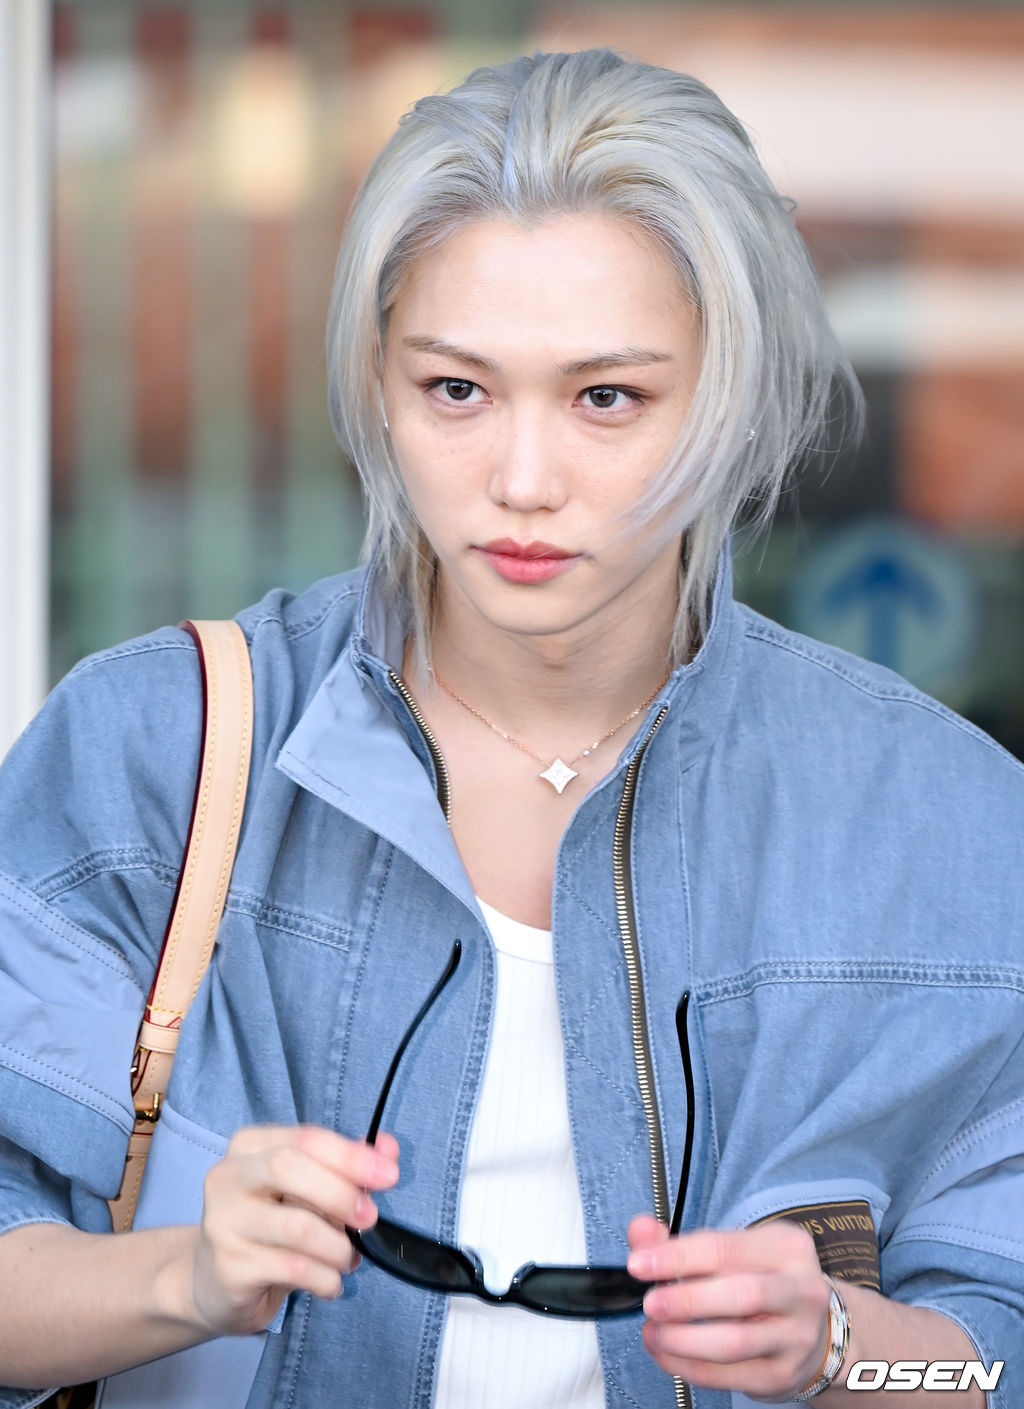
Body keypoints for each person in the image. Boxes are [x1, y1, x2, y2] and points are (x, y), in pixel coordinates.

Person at [0, 46, 1021, 1409]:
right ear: (378, 381)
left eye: (608, 398)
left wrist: (842, 1348)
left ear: (730, 392)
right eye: (456, 390)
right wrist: (182, 1276)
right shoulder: (157, 753)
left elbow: (994, 1357)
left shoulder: (950, 821)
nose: (522, 480)